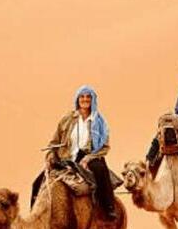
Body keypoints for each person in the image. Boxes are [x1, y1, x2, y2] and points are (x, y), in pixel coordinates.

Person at [33, 85, 116, 221]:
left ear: (93, 100)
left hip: (89, 155)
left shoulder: (99, 122)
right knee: (38, 182)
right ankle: (34, 217)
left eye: (88, 97)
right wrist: (50, 155)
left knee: (100, 170)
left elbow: (105, 147)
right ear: (77, 99)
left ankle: (109, 208)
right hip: (66, 157)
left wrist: (88, 158)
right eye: (82, 96)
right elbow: (54, 141)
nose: (85, 99)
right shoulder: (67, 119)